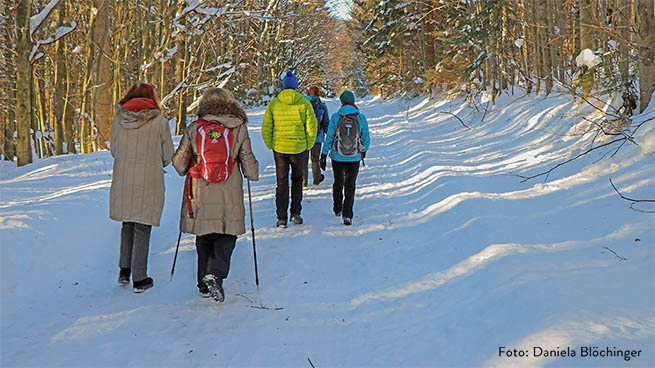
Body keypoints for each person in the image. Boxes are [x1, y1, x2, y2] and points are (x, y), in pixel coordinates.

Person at [172, 87, 259, 302]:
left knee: (204, 234)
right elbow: (249, 165)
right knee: (226, 234)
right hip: (228, 190)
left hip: (201, 188)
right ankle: (215, 273)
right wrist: (252, 171)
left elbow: (179, 164)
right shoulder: (238, 127)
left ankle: (203, 283)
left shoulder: (195, 128)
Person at [110, 82, 174, 293]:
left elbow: (115, 149)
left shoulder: (119, 120)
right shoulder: (160, 122)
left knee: (127, 223)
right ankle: (140, 277)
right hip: (149, 179)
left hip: (124, 177)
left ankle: (124, 271)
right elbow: (167, 157)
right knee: (142, 225)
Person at [261, 71, 317, 227]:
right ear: (296, 86)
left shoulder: (274, 103)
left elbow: (266, 126)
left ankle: (281, 218)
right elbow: (311, 127)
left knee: (281, 182)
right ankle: (296, 213)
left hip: (280, 149)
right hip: (299, 149)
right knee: (297, 181)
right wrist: (309, 145)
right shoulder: (304, 103)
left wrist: (271, 144)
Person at [320, 90, 370, 226]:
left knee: (338, 182)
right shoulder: (360, 117)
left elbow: (329, 137)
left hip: (337, 156)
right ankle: (347, 215)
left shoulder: (336, 117)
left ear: (342, 102)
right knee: (350, 185)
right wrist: (363, 150)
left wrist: (324, 154)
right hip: (354, 157)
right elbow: (366, 137)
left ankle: (337, 208)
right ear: (353, 101)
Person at [303, 86, 330, 187]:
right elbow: (326, 122)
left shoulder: (303, 104)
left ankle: (303, 181)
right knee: (315, 158)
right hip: (317, 137)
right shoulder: (322, 106)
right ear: (318, 94)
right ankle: (316, 179)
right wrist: (330, 136)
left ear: (309, 93)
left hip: (304, 137)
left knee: (304, 160)